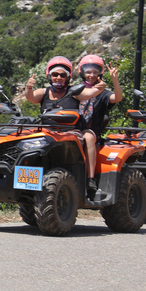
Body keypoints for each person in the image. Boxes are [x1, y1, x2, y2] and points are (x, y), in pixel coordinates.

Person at [25, 56, 105, 195]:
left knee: (89, 137)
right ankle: (26, 185)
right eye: (55, 74)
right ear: (49, 75)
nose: (58, 78)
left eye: (62, 75)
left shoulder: (74, 92)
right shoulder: (44, 92)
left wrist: (100, 87)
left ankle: (90, 178)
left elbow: (89, 93)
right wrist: (29, 87)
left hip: (71, 133)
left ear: (67, 77)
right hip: (47, 133)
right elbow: (31, 97)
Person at [76, 55, 122, 140]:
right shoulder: (75, 90)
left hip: (92, 132)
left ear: (100, 73)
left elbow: (117, 98)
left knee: (87, 137)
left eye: (95, 72)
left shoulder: (102, 93)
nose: (92, 75)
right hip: (74, 129)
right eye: (88, 72)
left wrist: (115, 80)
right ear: (82, 72)